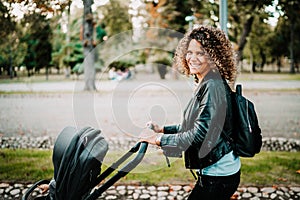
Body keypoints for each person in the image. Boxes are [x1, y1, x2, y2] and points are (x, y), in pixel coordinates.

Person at [140, 25, 240, 200]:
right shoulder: (208, 82)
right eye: (189, 52)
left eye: (200, 53)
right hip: (217, 172)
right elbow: (197, 125)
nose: (192, 58)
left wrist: (158, 140)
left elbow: (200, 135)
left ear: (214, 56)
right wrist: (163, 129)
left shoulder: (213, 86)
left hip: (218, 175)